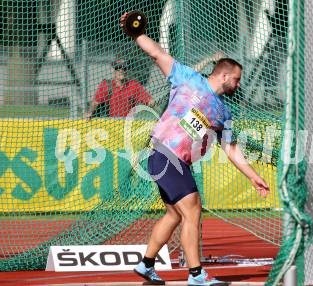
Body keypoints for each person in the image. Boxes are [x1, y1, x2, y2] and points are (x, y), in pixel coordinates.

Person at [120, 12, 270, 286]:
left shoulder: (223, 112)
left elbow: (231, 148)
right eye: (236, 79)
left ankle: (146, 264)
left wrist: (252, 175)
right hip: (166, 155)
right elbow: (158, 54)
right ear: (224, 75)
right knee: (193, 210)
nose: (238, 84)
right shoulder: (188, 78)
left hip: (171, 161)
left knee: (175, 214)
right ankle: (196, 274)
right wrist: (137, 33)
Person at [85, 59, 153, 118]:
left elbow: (150, 101)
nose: (121, 71)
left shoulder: (133, 85)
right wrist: (90, 113)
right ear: (114, 70)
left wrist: (149, 105)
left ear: (127, 70)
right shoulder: (106, 85)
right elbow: (95, 102)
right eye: (118, 68)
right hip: (111, 123)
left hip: (128, 124)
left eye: (124, 68)